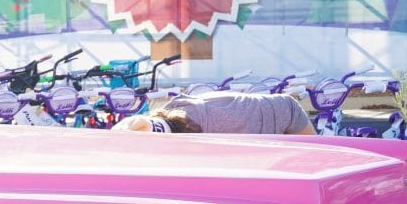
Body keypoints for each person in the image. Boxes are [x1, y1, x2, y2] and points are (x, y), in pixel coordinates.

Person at [119, 91, 314, 135]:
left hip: (283, 112)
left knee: (311, 165)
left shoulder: (214, 130)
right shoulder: (175, 109)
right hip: (277, 106)